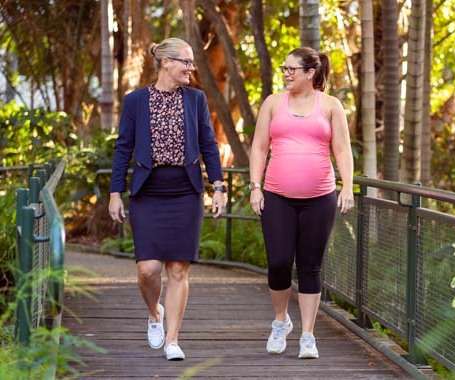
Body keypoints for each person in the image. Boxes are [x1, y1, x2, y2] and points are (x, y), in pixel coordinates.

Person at [108, 37, 227, 361]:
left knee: (178, 269)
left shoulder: (196, 99)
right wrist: (115, 192)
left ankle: (173, 339)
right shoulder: (135, 102)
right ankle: (154, 313)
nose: (191, 67)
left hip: (185, 192)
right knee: (147, 269)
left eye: (192, 62)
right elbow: (123, 148)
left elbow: (208, 144)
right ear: (166, 63)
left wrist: (218, 186)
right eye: (186, 61)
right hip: (148, 192)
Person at [249, 47, 354, 359]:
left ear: (310, 72)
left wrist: (347, 186)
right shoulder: (272, 103)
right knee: (279, 262)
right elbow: (258, 147)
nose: (286, 73)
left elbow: (343, 150)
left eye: (291, 69)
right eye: (284, 68)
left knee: (310, 266)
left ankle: (308, 334)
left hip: (320, 198)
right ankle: (280, 321)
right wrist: (255, 187)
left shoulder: (331, 106)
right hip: (277, 196)